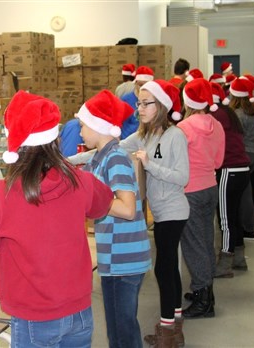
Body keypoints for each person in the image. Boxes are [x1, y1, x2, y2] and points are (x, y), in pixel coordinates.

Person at [0, 90, 114, 347]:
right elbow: (103, 204)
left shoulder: (1, 196)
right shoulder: (80, 181)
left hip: (33, 318)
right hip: (79, 311)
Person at [76, 90, 152, 348]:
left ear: (98, 126)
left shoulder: (115, 158)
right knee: (117, 331)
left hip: (125, 258)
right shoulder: (99, 158)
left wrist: (96, 202)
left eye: (83, 125)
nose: (80, 132)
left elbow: (128, 208)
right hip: (113, 257)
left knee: (123, 333)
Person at [118, 80, 189, 347]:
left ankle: (168, 332)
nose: (140, 108)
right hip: (159, 212)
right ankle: (175, 325)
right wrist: (71, 161)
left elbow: (182, 177)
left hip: (174, 210)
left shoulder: (175, 135)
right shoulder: (143, 136)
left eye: (146, 103)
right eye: (139, 103)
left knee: (163, 268)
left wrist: (150, 164)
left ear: (161, 106)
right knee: (169, 267)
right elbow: (113, 147)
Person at [177, 78, 225, 319]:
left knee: (193, 245)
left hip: (190, 191)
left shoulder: (183, 128)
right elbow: (218, 162)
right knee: (206, 240)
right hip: (210, 187)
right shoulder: (217, 124)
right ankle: (205, 290)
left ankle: (203, 299)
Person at [211, 79, 251, 279]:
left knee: (225, 220)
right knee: (234, 216)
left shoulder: (215, 115)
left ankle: (225, 263)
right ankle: (239, 257)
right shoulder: (228, 112)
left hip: (229, 170)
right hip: (241, 169)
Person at [226, 78, 254, 240]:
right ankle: (249, 227)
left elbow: (234, 138)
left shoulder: (236, 114)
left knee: (241, 194)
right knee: (247, 189)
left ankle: (244, 228)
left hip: (241, 155)